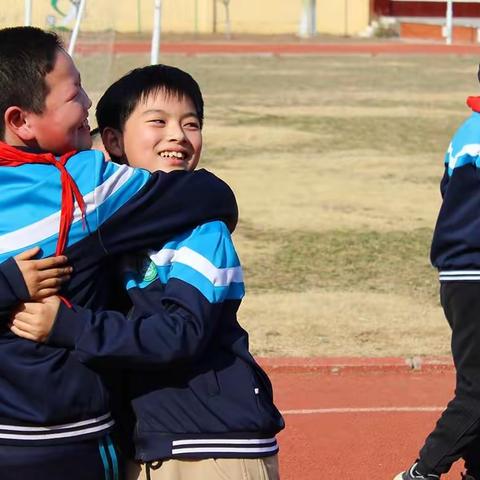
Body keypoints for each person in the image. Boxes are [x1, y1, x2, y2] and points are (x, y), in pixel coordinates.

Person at [11, 64, 285, 480]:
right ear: (115, 141)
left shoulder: (201, 228)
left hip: (210, 446)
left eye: (191, 124)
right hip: (147, 445)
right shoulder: (106, 224)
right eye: (158, 121)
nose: (177, 134)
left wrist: (69, 327)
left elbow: (183, 332)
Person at [394, 92, 480, 480]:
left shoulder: (466, 132)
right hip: (475, 271)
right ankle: (422, 473)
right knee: (477, 391)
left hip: (458, 274)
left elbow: (450, 193)